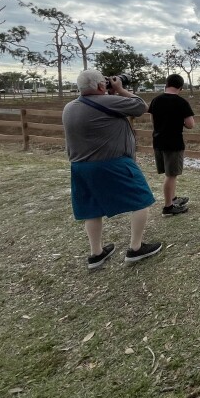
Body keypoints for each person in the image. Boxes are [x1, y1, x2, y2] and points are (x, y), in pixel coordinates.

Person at [62, 69, 162, 269]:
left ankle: (96, 254)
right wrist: (120, 89)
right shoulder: (106, 101)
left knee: (91, 209)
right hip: (112, 162)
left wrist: (111, 93)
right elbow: (140, 106)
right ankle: (136, 248)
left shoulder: (69, 107)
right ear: (101, 86)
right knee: (141, 199)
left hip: (80, 166)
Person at [148, 74, 196, 216]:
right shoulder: (181, 102)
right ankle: (168, 207)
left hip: (158, 141)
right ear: (180, 87)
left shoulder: (156, 100)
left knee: (169, 173)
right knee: (171, 175)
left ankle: (173, 198)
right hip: (173, 143)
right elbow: (190, 124)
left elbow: (153, 120)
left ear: (166, 84)